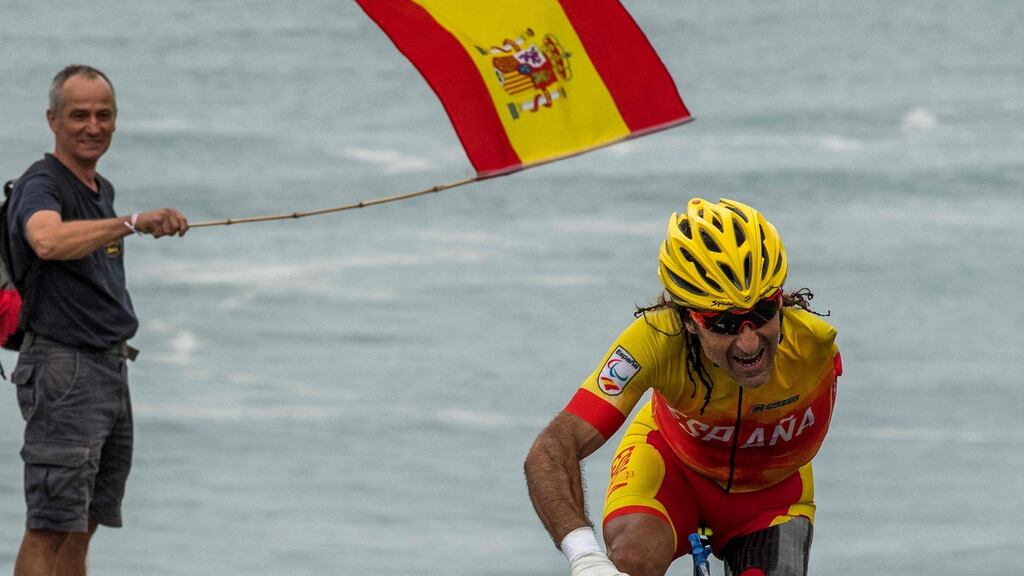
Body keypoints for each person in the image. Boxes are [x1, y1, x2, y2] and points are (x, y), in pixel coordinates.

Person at [524, 198, 842, 576]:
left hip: (770, 498)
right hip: (672, 469)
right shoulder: (655, 341)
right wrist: (585, 557)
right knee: (631, 557)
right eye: (724, 324)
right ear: (689, 320)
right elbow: (552, 448)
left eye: (762, 313)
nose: (749, 343)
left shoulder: (816, 346)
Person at [7, 64, 189, 576]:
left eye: (104, 115)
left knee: (82, 522)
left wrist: (126, 221)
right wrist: (131, 222)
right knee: (49, 526)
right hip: (64, 370)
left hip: (106, 368)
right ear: (53, 120)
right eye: (79, 115)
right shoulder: (42, 184)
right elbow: (46, 239)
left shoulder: (97, 187)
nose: (93, 127)